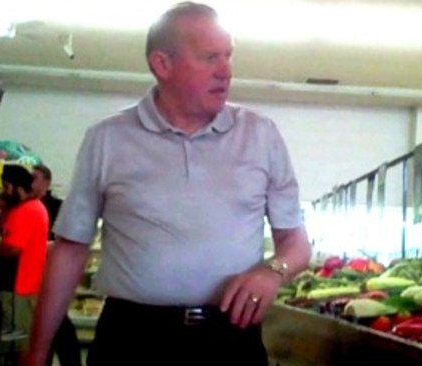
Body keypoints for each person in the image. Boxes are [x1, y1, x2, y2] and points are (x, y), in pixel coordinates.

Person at [23, 2, 311, 365]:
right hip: (132, 339)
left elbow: (296, 244)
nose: (226, 71)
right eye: (210, 58)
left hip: (230, 340)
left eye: (228, 56)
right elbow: (70, 249)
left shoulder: (261, 136)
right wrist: (36, 353)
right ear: (162, 64)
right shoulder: (108, 139)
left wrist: (273, 272)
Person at [0, 165, 49, 335]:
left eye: (6, 187)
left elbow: (12, 249)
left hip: (18, 285)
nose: (4, 192)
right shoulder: (27, 208)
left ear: (18, 187)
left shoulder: (26, 211)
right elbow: (3, 230)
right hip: (22, 284)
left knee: (15, 336)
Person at [31, 165, 82, 366]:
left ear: (47, 182)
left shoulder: (57, 207)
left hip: (51, 271)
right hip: (33, 272)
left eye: (34, 178)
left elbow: (65, 241)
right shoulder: (26, 205)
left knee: (56, 320)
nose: (30, 182)